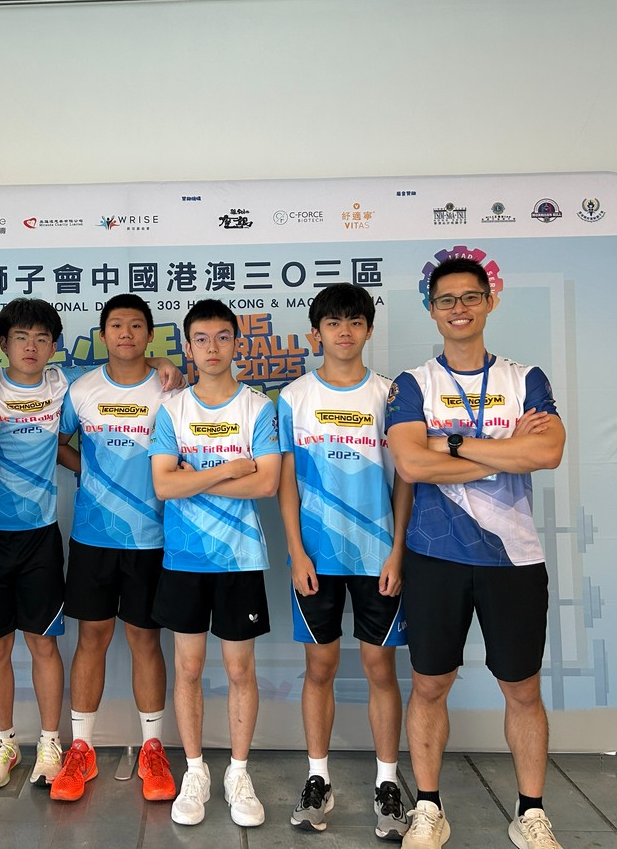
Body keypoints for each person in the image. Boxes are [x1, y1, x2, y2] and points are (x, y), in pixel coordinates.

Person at [0, 298, 183, 794]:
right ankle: (4, 741)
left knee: (45, 644)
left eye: (42, 338)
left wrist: (159, 361)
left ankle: (51, 744)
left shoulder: (65, 385)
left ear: (54, 346)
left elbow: (123, 368)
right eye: (20, 337)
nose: (31, 347)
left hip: (40, 535)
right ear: (1, 345)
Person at [385, 257, 566, 849]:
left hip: (513, 558)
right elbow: (411, 464)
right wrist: (503, 447)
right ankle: (429, 807)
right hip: (434, 556)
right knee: (430, 684)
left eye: (470, 297)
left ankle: (531, 811)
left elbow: (546, 453)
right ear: (431, 310)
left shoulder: (525, 378)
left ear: (490, 301)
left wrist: (454, 442)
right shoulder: (414, 383)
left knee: (523, 689)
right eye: (446, 300)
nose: (458, 308)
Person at [276, 283, 412, 838]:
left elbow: (405, 480)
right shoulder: (293, 398)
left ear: (369, 330)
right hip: (317, 558)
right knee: (320, 668)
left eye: (355, 322)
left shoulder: (390, 395)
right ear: (316, 333)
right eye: (333, 323)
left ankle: (388, 785)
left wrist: (398, 551)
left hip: (378, 556)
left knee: (381, 669)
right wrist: (296, 553)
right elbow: (286, 482)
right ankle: (318, 779)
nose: (345, 332)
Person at [148, 298, 281, 828]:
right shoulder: (172, 410)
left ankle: (238, 773)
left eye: (222, 337)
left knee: (239, 669)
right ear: (188, 346)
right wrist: (229, 468)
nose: (212, 347)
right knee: (188, 668)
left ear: (236, 343)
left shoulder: (258, 408)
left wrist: (194, 477)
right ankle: (196, 771)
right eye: (201, 339)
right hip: (184, 558)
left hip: (239, 557)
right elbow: (163, 485)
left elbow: (266, 484)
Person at [52, 294, 180, 805]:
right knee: (92, 638)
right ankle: (81, 749)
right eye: (117, 325)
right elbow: (58, 442)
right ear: (103, 335)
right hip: (93, 537)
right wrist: (89, 471)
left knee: (146, 639)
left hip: (152, 537)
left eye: (136, 325)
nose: (126, 333)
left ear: (149, 335)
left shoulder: (170, 389)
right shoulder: (81, 389)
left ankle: (153, 749)